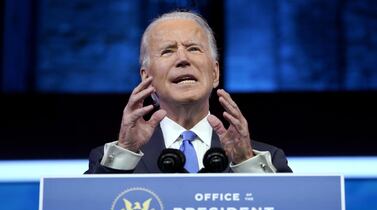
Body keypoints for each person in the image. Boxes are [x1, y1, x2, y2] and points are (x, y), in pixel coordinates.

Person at [85, 11, 292, 174]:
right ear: (146, 77)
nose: (183, 59)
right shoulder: (113, 158)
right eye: (168, 51)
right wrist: (127, 151)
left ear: (215, 72)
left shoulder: (266, 158)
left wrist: (245, 161)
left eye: (193, 48)